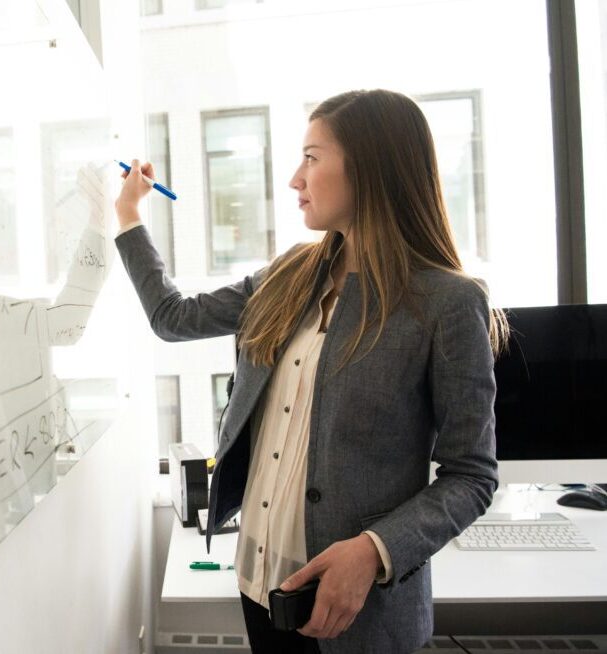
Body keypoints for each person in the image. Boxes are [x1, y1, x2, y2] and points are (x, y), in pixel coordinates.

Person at [113, 89, 508, 653]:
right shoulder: (289, 274)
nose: (295, 179)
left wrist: (375, 550)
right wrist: (128, 215)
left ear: (370, 167)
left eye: (312, 157)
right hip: (259, 587)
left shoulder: (446, 302)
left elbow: (471, 475)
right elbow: (173, 318)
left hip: (357, 614)